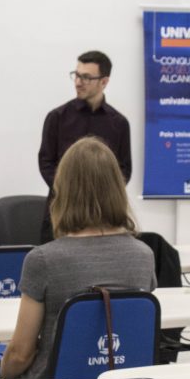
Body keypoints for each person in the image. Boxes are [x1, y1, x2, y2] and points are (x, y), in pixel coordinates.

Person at [1, 137, 155, 379]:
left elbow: (20, 354)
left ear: (63, 191)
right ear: (117, 188)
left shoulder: (43, 260)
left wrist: (2, 375)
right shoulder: (144, 256)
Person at [38, 50, 131, 243]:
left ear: (104, 82)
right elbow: (46, 163)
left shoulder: (119, 123)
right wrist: (71, 193)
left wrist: (100, 196)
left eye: (86, 77)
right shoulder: (57, 118)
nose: (78, 82)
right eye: (77, 75)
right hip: (61, 214)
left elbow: (124, 170)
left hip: (105, 219)